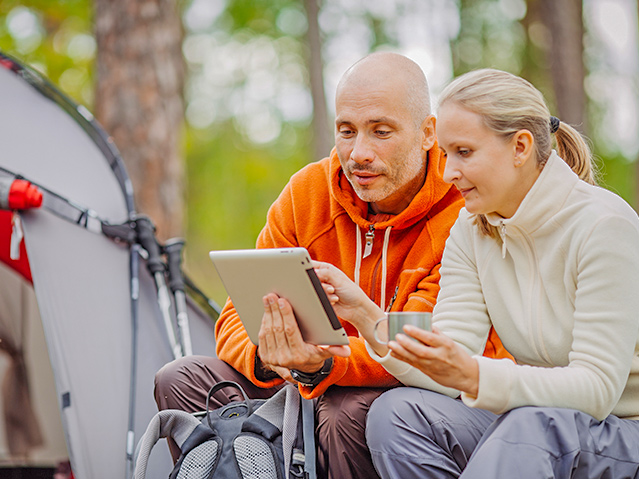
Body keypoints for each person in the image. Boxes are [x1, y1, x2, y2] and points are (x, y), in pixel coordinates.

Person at [154, 54, 511, 479]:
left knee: (348, 408)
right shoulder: (307, 193)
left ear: (427, 133)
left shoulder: (460, 213)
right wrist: (273, 359)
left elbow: (433, 342)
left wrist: (325, 364)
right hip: (305, 380)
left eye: (381, 132)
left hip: (403, 391)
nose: (359, 153)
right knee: (179, 378)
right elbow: (235, 316)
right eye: (346, 131)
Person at [313, 68, 639, 478]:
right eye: (446, 155)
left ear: (520, 147)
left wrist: (475, 374)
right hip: (537, 422)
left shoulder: (603, 226)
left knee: (531, 425)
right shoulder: (472, 229)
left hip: (623, 431)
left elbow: (595, 391)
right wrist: (367, 317)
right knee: (397, 413)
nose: (448, 173)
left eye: (464, 153)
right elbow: (450, 353)